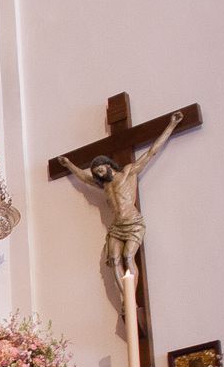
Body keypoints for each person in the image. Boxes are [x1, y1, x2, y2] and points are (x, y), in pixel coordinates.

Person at [58, 110, 183, 273]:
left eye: (101, 170)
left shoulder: (127, 173)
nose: (99, 174)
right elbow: (85, 178)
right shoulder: (105, 186)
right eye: (97, 173)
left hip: (132, 223)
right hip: (116, 226)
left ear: (108, 165)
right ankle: (126, 296)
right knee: (114, 260)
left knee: (128, 257)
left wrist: (171, 125)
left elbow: (151, 152)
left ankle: (131, 297)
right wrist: (69, 165)